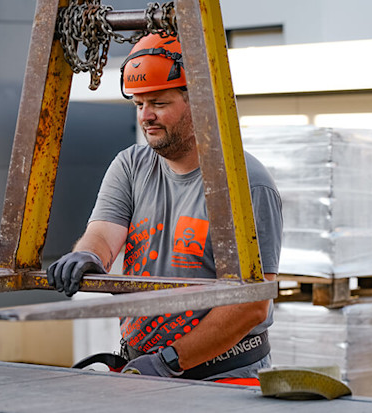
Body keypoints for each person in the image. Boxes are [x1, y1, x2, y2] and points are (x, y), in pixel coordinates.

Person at [48, 33, 283, 384]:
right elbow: (102, 234)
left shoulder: (245, 183)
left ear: (199, 102)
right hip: (146, 371)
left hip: (223, 379)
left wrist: (170, 361)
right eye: (139, 104)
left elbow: (251, 305)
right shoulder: (130, 165)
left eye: (158, 102)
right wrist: (89, 256)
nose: (146, 116)